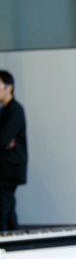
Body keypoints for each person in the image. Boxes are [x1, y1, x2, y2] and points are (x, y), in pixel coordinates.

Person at [0, 70, 27, 231]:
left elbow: (3, 138)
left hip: (9, 170)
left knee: (2, 211)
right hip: (5, 169)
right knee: (8, 213)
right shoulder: (4, 110)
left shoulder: (15, 109)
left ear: (9, 87)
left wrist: (4, 141)